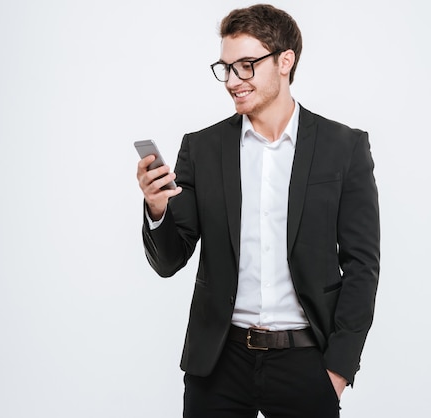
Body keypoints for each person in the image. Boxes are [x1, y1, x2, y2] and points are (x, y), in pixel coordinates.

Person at [136, 4, 380, 417]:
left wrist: (338, 368)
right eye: (226, 67)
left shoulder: (344, 147)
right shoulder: (203, 148)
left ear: (286, 61)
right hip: (218, 364)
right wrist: (157, 208)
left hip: (306, 360)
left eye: (246, 66)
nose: (233, 81)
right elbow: (169, 260)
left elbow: (362, 265)